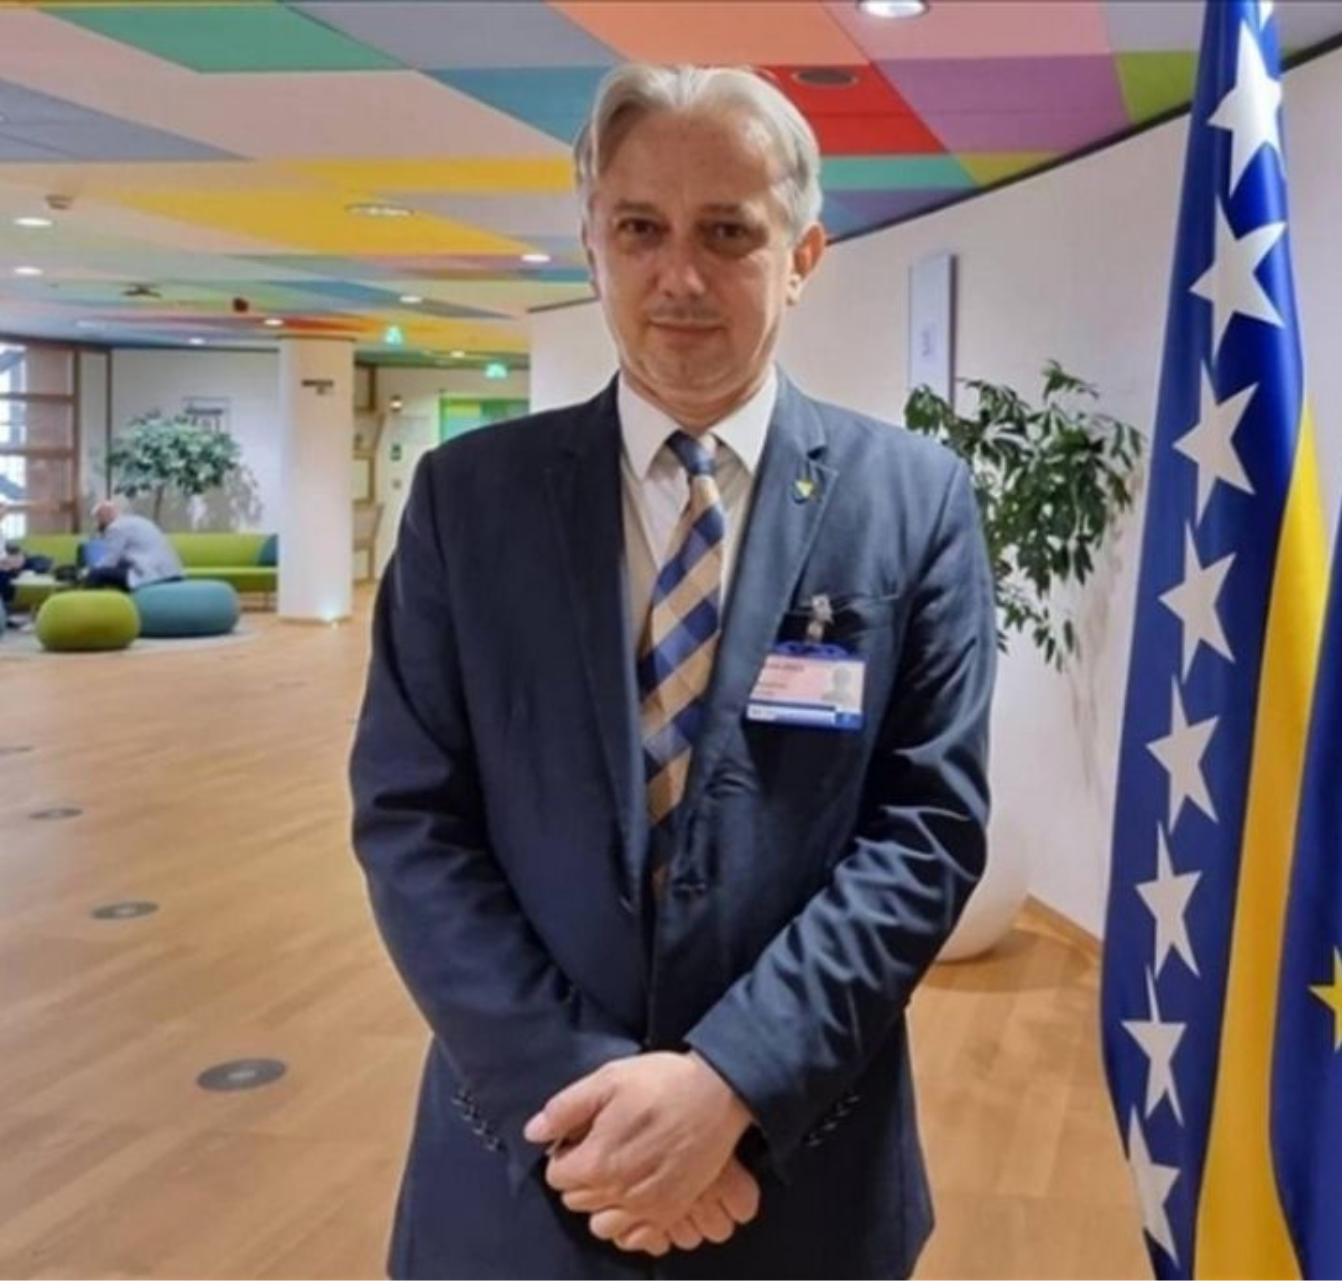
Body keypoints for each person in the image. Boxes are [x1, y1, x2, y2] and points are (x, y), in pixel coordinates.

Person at [349, 62, 995, 1281]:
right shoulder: (467, 503)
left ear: (802, 256)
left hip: (801, 1173)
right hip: (530, 1173)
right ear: (592, 244)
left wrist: (729, 1084)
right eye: (640, 228)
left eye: (728, 233)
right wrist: (593, 1107)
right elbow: (410, 821)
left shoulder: (914, 504)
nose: (680, 276)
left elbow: (926, 830)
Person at [83, 500, 182, 591]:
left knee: (96, 574)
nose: (97, 524)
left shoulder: (116, 527)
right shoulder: (136, 520)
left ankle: (88, 601)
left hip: (153, 576)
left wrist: (88, 571)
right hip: (172, 573)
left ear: (105, 514)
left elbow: (110, 561)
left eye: (98, 518)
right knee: (119, 568)